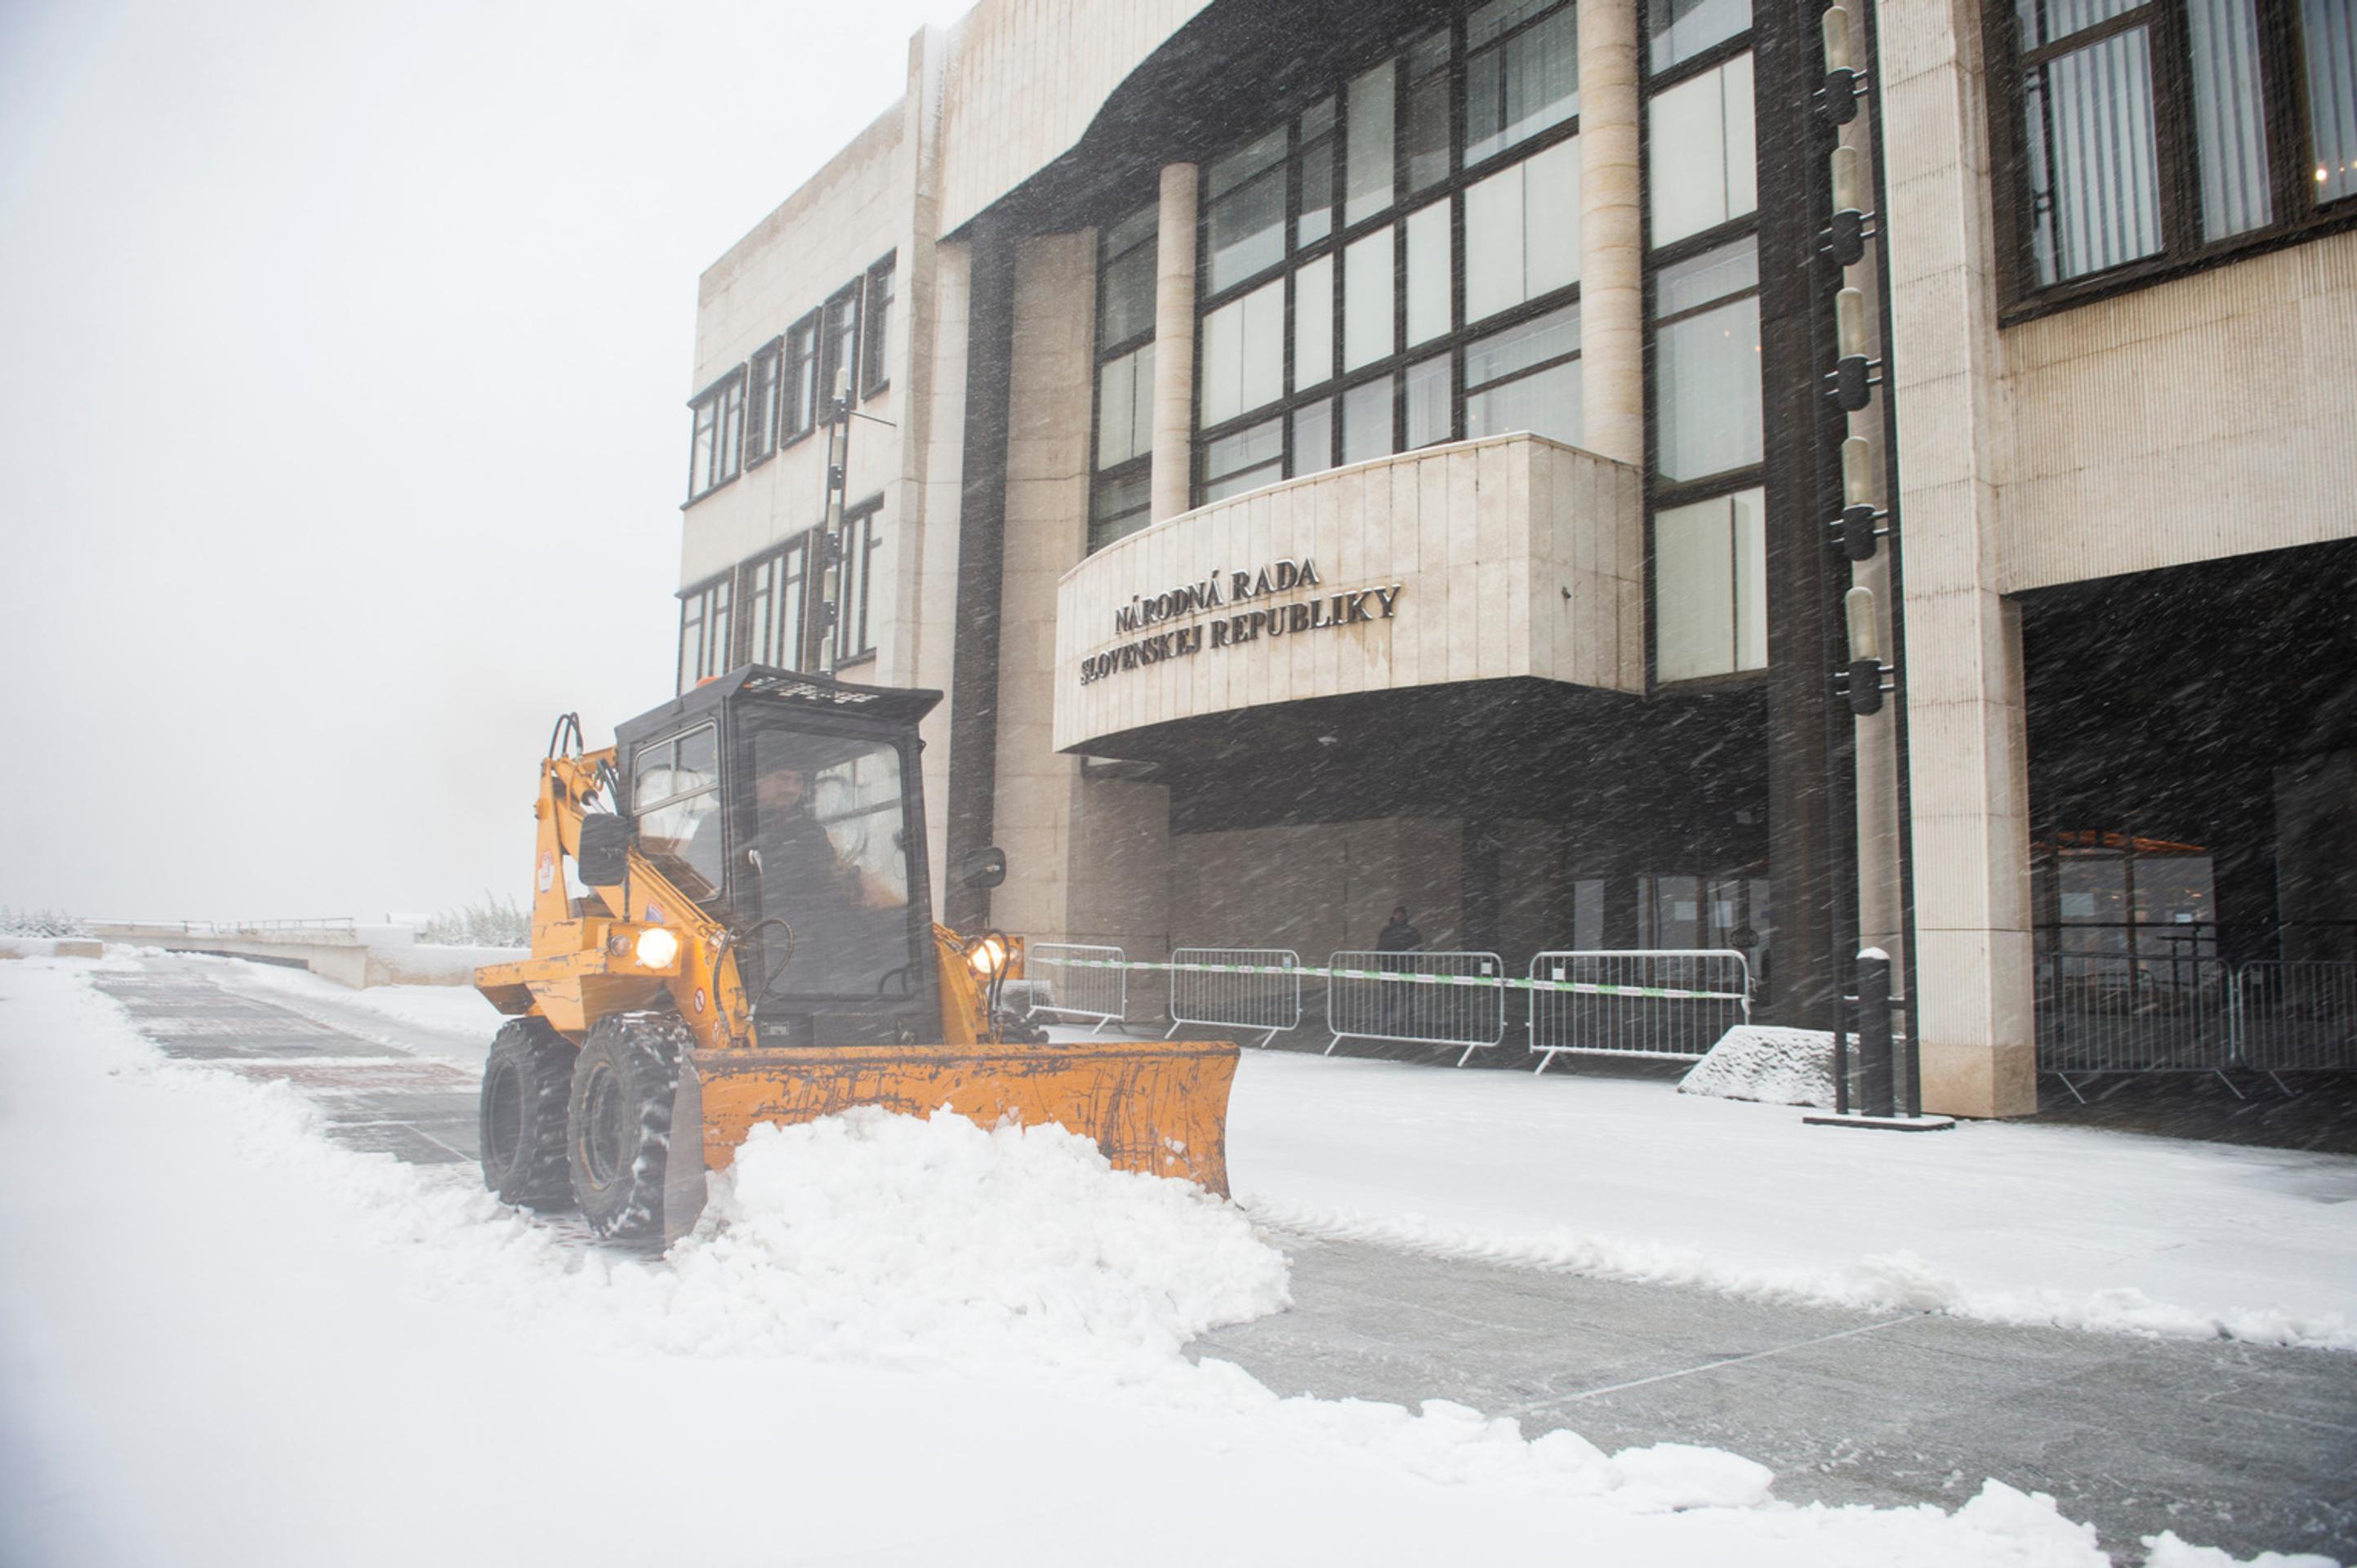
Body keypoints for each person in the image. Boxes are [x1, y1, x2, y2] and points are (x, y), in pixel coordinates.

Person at [1375, 905, 1424, 1035]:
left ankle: (1408, 1022)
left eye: (1401, 915)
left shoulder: (1410, 931)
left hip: (1403, 968)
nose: (1399, 917)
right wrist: (1383, 961)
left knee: (1407, 996)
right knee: (1390, 996)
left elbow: (1418, 949)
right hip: (1392, 967)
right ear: (1393, 915)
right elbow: (1380, 948)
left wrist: (1412, 962)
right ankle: (1388, 1022)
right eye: (1397, 915)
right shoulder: (1389, 931)